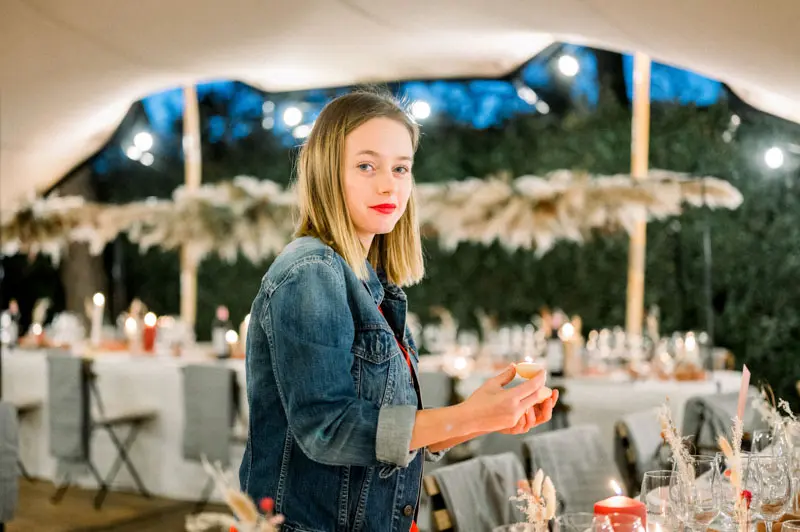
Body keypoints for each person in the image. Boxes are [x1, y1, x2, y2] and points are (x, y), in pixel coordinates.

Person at [239, 90, 559, 531]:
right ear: (327, 173)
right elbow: (328, 430)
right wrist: (467, 415)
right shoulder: (311, 271)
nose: (389, 184)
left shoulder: (371, 282)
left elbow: (389, 438)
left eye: (401, 168)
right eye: (366, 166)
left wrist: (484, 415)